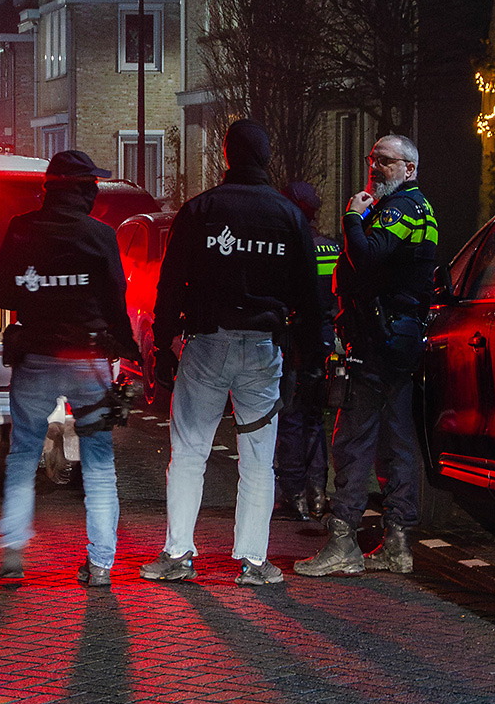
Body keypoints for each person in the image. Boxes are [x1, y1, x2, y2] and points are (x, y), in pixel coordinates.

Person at [140, 119, 321, 586]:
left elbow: (170, 283)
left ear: (226, 155)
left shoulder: (201, 210)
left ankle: (178, 553)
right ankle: (255, 562)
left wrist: (162, 345)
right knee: (259, 457)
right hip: (263, 349)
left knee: (189, 451)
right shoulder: (289, 216)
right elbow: (310, 294)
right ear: (266, 158)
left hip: (208, 344)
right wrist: (311, 358)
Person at [0, 150, 139, 587]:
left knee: (22, 455)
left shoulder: (22, 229)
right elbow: (115, 300)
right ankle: (101, 564)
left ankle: (13, 551)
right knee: (98, 461)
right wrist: (128, 347)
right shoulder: (100, 235)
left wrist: (37, 292)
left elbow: (0, 291)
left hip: (35, 356)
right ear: (83, 190)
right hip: (88, 361)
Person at [295, 134, 437, 577]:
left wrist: (353, 219)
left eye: (387, 163)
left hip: (377, 343)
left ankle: (344, 541)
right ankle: (397, 542)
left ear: (409, 169)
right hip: (396, 338)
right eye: (373, 160)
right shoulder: (418, 209)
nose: (375, 168)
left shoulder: (402, 208)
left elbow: (367, 257)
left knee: (353, 439)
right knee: (396, 440)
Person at [275, 181, 340, 521]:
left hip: (295, 342)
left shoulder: (290, 250)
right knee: (315, 419)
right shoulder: (331, 248)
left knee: (291, 418)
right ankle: (318, 492)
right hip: (325, 341)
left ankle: (293, 493)